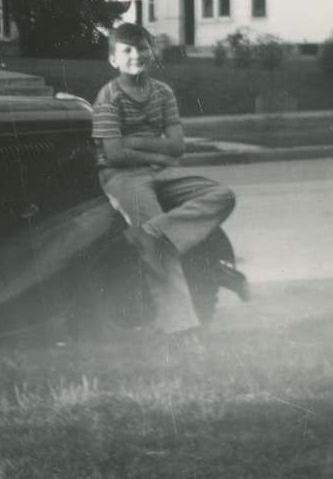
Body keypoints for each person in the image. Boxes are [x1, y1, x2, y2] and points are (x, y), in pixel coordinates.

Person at [92, 23, 248, 348]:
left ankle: (154, 233)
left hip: (162, 171)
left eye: (142, 48)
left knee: (222, 194)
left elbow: (177, 146)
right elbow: (115, 154)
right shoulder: (108, 96)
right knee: (161, 251)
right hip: (123, 177)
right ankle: (181, 330)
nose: (136, 56)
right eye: (127, 50)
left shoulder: (161, 92)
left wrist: (135, 140)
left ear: (151, 52)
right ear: (113, 60)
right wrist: (151, 144)